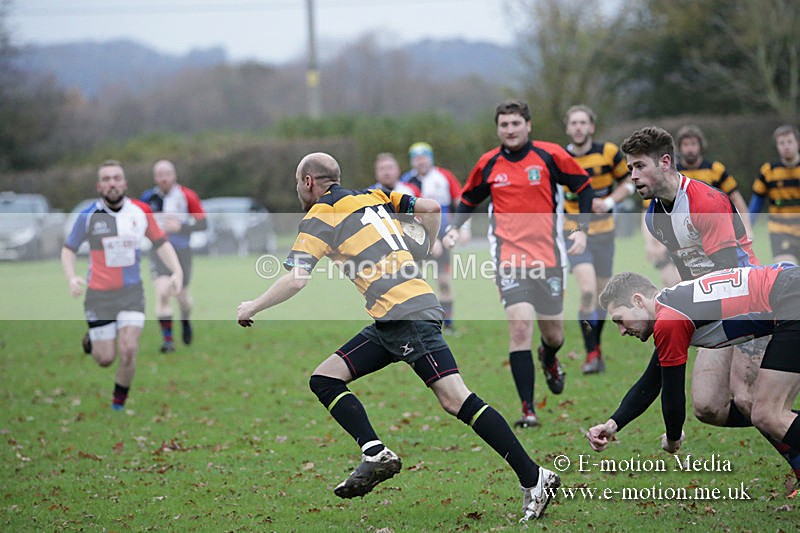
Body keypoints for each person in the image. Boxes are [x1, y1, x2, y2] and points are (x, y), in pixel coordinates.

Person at [236, 152, 560, 521]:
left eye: (298, 182)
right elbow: (431, 208)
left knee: (456, 400)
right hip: (391, 318)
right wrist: (421, 251)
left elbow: (297, 278)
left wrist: (253, 306)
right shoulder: (374, 195)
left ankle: (535, 477)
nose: (298, 189)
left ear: (308, 182)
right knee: (325, 378)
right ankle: (374, 452)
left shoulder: (319, 216)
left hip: (407, 316)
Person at [622, 126, 800, 491]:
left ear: (665, 162)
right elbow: (692, 275)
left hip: (750, 304)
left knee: (754, 403)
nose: (633, 176)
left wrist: (678, 314)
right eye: (629, 169)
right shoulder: (654, 216)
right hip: (706, 304)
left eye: (639, 166)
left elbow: (727, 277)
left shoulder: (705, 201)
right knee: (708, 407)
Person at [443, 99, 593, 428]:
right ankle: (528, 410)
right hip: (509, 258)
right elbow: (468, 198)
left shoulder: (551, 155)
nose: (509, 130)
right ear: (498, 129)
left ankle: (549, 358)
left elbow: (583, 186)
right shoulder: (489, 163)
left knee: (554, 335)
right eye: (504, 125)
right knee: (520, 325)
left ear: (528, 125)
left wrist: (581, 229)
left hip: (550, 258)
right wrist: (455, 227)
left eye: (515, 124)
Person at [587, 266, 800, 461]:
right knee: (769, 413)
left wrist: (672, 438)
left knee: (768, 414)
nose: (622, 331)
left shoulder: (669, 320)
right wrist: (612, 424)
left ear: (638, 301)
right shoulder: (672, 306)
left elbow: (672, 395)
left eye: (619, 320)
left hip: (790, 298)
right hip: (789, 291)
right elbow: (651, 381)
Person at [62, 160, 183, 410]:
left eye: (117, 178)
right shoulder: (88, 217)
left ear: (125, 183)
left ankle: (118, 405)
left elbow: (161, 243)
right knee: (105, 359)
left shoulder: (140, 211)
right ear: (99, 186)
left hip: (131, 293)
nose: (112, 183)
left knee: (129, 350)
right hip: (98, 296)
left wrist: (177, 271)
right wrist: (72, 277)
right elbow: (68, 249)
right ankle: (94, 340)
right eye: (106, 179)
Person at [563, 105, 633, 374]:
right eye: (574, 123)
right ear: (568, 128)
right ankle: (591, 352)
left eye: (583, 122)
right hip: (572, 231)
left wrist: (609, 201)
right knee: (588, 289)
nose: (579, 127)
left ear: (591, 127)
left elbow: (628, 181)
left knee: (602, 296)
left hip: (604, 232)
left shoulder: (609, 153)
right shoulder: (561, 157)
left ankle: (596, 348)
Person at [140, 160, 207, 353]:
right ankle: (168, 341)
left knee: (182, 297)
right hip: (158, 251)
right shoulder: (148, 197)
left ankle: (185, 318)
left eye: (167, 174)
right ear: (155, 178)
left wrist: (181, 227)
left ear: (174, 175)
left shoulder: (187, 196)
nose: (163, 179)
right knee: (162, 292)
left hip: (182, 253)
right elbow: (138, 223)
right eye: (159, 175)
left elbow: (203, 224)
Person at [750, 125, 800, 264]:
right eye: (781, 143)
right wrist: (748, 227)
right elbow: (756, 202)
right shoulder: (768, 171)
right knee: (787, 270)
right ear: (777, 146)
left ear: (797, 143)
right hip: (780, 231)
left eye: (789, 142)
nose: (786, 146)